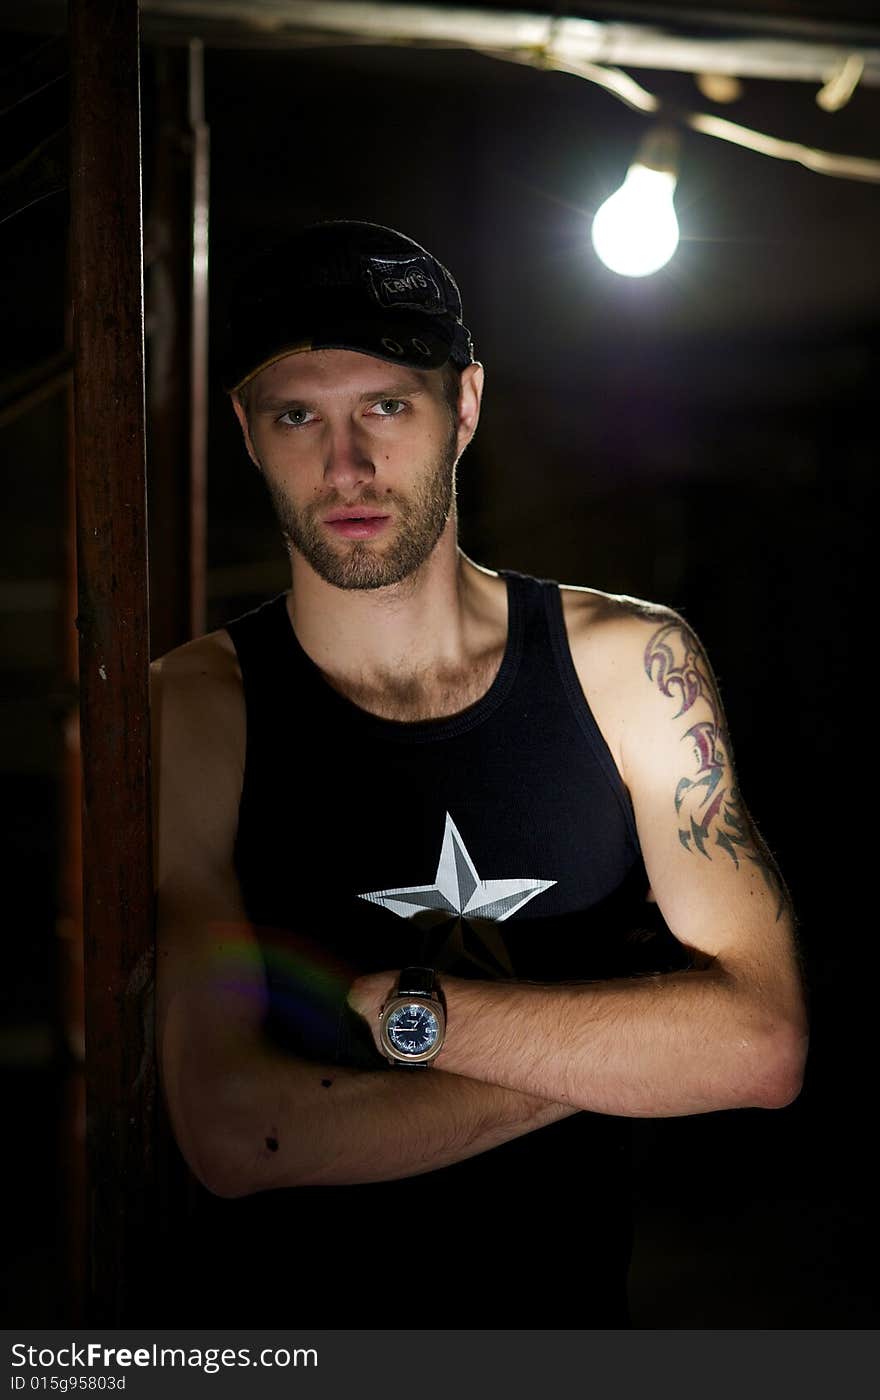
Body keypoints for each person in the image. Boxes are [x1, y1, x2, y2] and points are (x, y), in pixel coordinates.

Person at [151, 219, 808, 1328]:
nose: (345, 465)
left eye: (387, 407)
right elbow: (239, 1135)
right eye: (298, 414)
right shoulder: (193, 709)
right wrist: (621, 1047)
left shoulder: (629, 666)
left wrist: (412, 1015)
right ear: (248, 433)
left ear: (462, 405)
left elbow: (757, 1045)